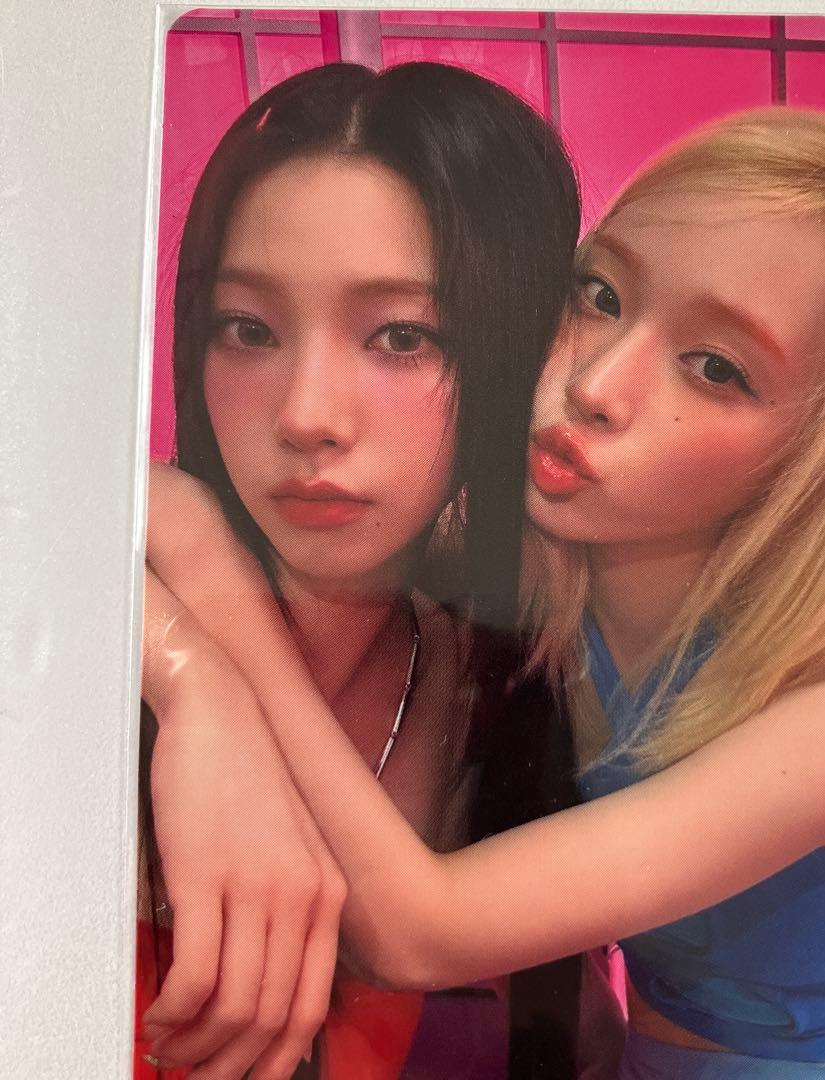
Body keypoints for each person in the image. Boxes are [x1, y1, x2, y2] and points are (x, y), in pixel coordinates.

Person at [144, 107, 825, 1079]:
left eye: (715, 368)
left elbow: (420, 930)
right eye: (601, 295)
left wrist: (207, 581)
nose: (598, 385)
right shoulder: (545, 568)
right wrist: (191, 684)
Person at [136, 60, 581, 1080]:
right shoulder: (78, 608)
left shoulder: (501, 687)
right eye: (248, 329)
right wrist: (190, 683)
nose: (307, 416)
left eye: (401, 336)